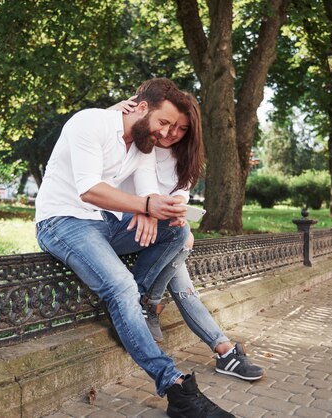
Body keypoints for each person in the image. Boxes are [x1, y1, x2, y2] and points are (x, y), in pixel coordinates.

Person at [35, 78, 233, 418]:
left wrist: (153, 210)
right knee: (120, 286)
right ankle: (174, 386)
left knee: (176, 231)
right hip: (62, 222)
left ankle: (135, 305)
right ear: (141, 108)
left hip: (102, 223)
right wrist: (143, 205)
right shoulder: (89, 122)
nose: (166, 133)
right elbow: (89, 190)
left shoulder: (141, 144)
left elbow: (146, 191)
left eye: (174, 127)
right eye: (163, 122)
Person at [112, 89, 264, 382]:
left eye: (182, 129)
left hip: (161, 234)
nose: (171, 133)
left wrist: (182, 218)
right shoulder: (143, 139)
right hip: (129, 227)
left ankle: (221, 348)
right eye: (169, 125)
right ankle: (223, 350)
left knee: (182, 251)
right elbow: (107, 133)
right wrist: (112, 109)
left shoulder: (186, 159)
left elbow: (181, 201)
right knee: (181, 250)